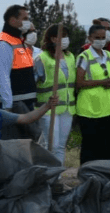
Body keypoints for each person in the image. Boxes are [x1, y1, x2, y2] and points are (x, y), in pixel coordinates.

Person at [33, 24, 77, 164]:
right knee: (52, 145)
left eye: (66, 36)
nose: (65, 39)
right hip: (48, 108)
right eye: (62, 36)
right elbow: (33, 83)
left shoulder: (70, 57)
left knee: (60, 146)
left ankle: (56, 178)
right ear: (52, 38)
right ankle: (46, 176)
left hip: (67, 108)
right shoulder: (42, 59)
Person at [75, 24, 110, 164]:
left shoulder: (109, 55)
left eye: (103, 38)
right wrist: (101, 82)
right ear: (89, 38)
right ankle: (88, 178)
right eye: (97, 38)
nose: (101, 41)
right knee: (90, 148)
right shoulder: (84, 57)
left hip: (106, 108)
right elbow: (79, 83)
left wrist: (108, 82)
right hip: (89, 109)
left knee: (107, 147)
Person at [0, 5, 37, 112]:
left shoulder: (18, 41)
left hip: (25, 104)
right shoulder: (3, 43)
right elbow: (2, 78)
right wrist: (7, 106)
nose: (28, 22)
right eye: (24, 19)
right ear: (12, 20)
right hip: (14, 106)